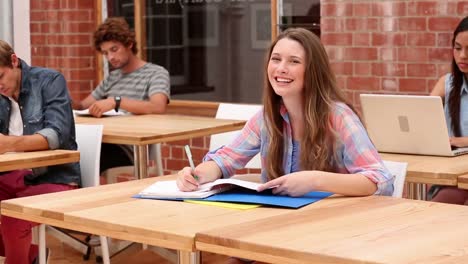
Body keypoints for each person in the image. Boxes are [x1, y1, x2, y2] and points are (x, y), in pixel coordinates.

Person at [177, 28, 394, 199]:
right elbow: (225, 160)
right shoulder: (266, 118)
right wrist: (198, 175)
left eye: (294, 61)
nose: (281, 68)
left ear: (312, 71)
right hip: (280, 223)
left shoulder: (339, 116)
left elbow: (381, 181)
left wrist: (315, 180)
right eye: (276, 59)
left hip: (331, 229)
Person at [0, 40, 81, 264]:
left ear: (14, 61)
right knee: (12, 216)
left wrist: (9, 144)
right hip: (11, 176)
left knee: (13, 216)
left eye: (0, 77)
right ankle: (31, 254)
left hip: (54, 177)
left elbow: (56, 135)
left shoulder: (49, 81)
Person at [73, 17, 170, 173]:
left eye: (114, 49)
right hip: (104, 141)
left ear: (129, 44)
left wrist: (116, 102)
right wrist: (60, 96)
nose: (110, 57)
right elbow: (83, 106)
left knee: (78, 159)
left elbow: (158, 106)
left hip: (132, 149)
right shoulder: (113, 77)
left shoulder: (156, 73)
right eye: (105, 53)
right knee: (66, 154)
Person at [429, 16, 468, 205]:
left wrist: (461, 141)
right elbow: (423, 116)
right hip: (452, 171)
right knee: (436, 206)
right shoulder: (448, 83)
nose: (462, 56)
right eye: (458, 48)